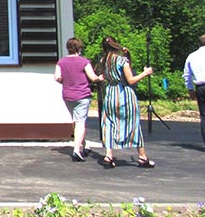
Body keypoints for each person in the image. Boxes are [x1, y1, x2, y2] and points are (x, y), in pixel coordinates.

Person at [100, 36, 155, 168]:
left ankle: (108, 155)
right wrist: (145, 73)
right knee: (133, 123)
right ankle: (142, 156)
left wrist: (127, 55)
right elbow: (130, 80)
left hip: (110, 93)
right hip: (124, 94)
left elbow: (107, 76)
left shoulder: (103, 61)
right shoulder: (121, 60)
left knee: (109, 123)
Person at [55, 37, 102, 162]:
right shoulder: (84, 61)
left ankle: (84, 145)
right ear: (79, 48)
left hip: (68, 95)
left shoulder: (61, 62)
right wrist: (100, 78)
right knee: (80, 122)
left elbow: (57, 77)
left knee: (76, 121)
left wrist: (66, 80)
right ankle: (77, 150)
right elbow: (93, 77)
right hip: (82, 95)